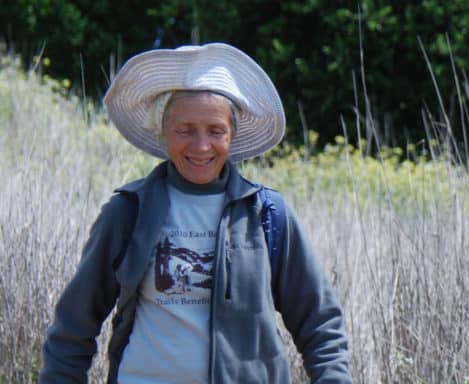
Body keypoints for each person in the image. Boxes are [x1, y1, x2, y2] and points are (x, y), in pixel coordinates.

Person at [40, 43, 352, 383]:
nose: (202, 146)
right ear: (164, 132)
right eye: (185, 130)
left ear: (232, 136)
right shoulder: (128, 211)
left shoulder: (267, 214)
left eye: (216, 131)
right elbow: (74, 327)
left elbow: (320, 325)